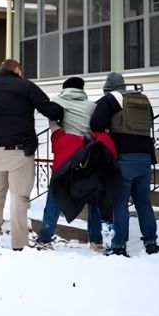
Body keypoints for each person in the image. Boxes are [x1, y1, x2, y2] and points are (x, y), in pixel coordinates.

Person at [0, 59, 64, 251]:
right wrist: (61, 110)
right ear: (17, 70)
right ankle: (19, 243)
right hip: (20, 152)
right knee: (20, 198)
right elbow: (49, 109)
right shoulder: (26, 86)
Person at [90, 72, 159, 257]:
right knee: (143, 202)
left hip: (124, 159)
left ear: (108, 88)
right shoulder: (142, 99)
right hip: (145, 158)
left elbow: (96, 123)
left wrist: (107, 129)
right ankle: (151, 243)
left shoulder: (111, 99)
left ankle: (119, 246)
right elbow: (150, 121)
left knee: (120, 203)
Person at [34, 77, 106, 251]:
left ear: (64, 88)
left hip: (65, 156)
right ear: (81, 89)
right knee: (93, 199)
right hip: (88, 156)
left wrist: (60, 134)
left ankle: (45, 238)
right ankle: (96, 240)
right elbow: (98, 127)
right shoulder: (92, 106)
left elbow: (52, 122)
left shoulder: (57, 102)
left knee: (55, 196)